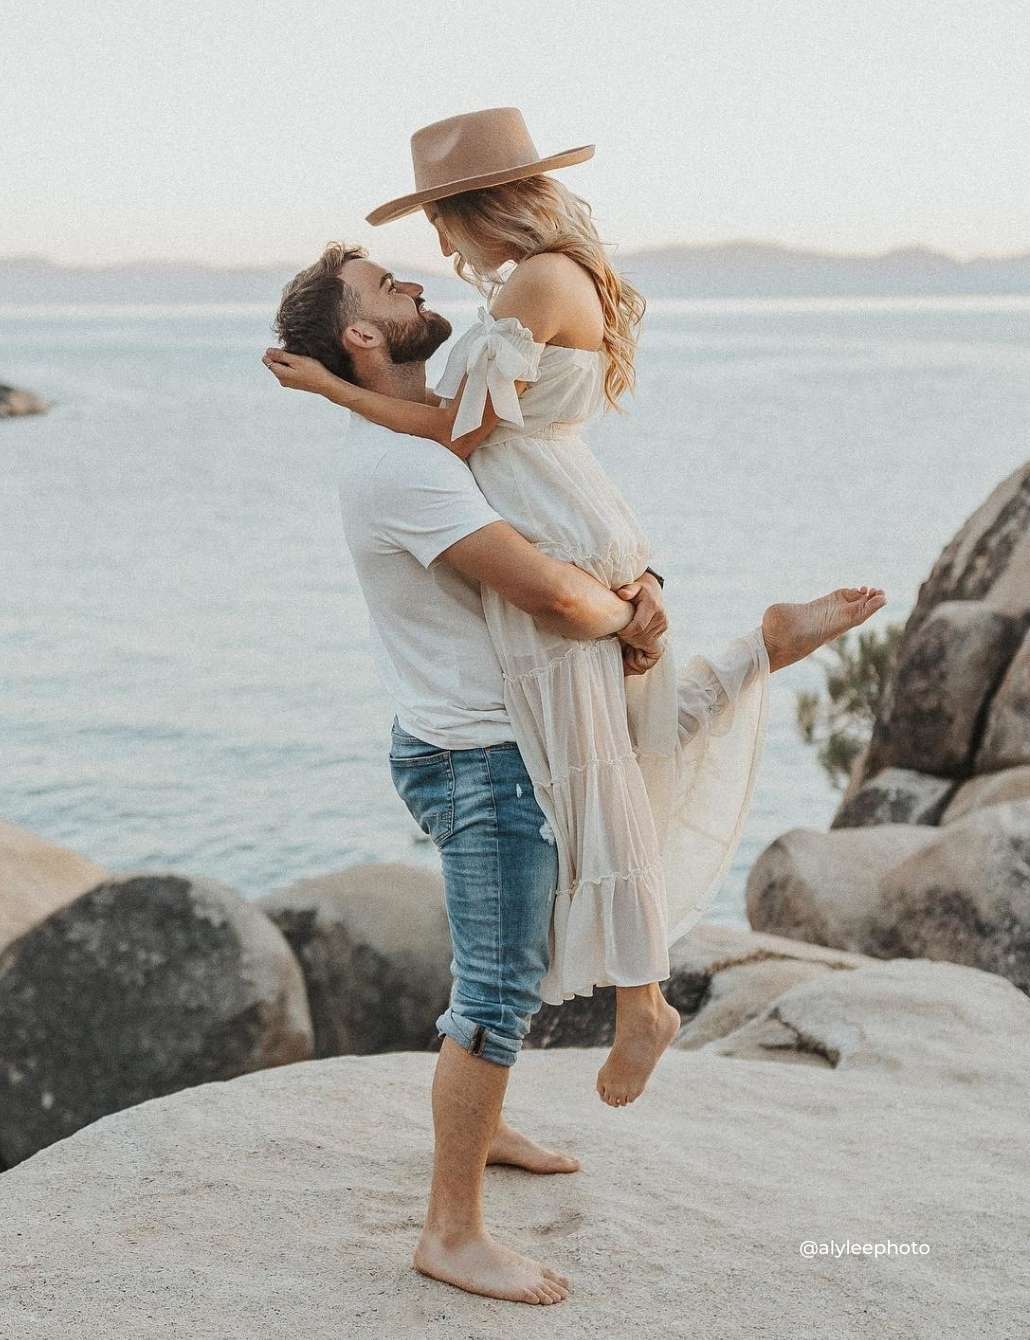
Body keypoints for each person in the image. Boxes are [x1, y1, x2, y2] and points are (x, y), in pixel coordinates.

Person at [264, 108, 888, 1119]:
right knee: (618, 758)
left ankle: (641, 999)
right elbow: (465, 433)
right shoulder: (550, 278)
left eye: (438, 220)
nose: (435, 251)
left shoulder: (530, 286)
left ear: (477, 205)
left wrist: (338, 396)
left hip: (555, 532)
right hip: (572, 512)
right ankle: (755, 662)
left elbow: (458, 442)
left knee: (600, 773)